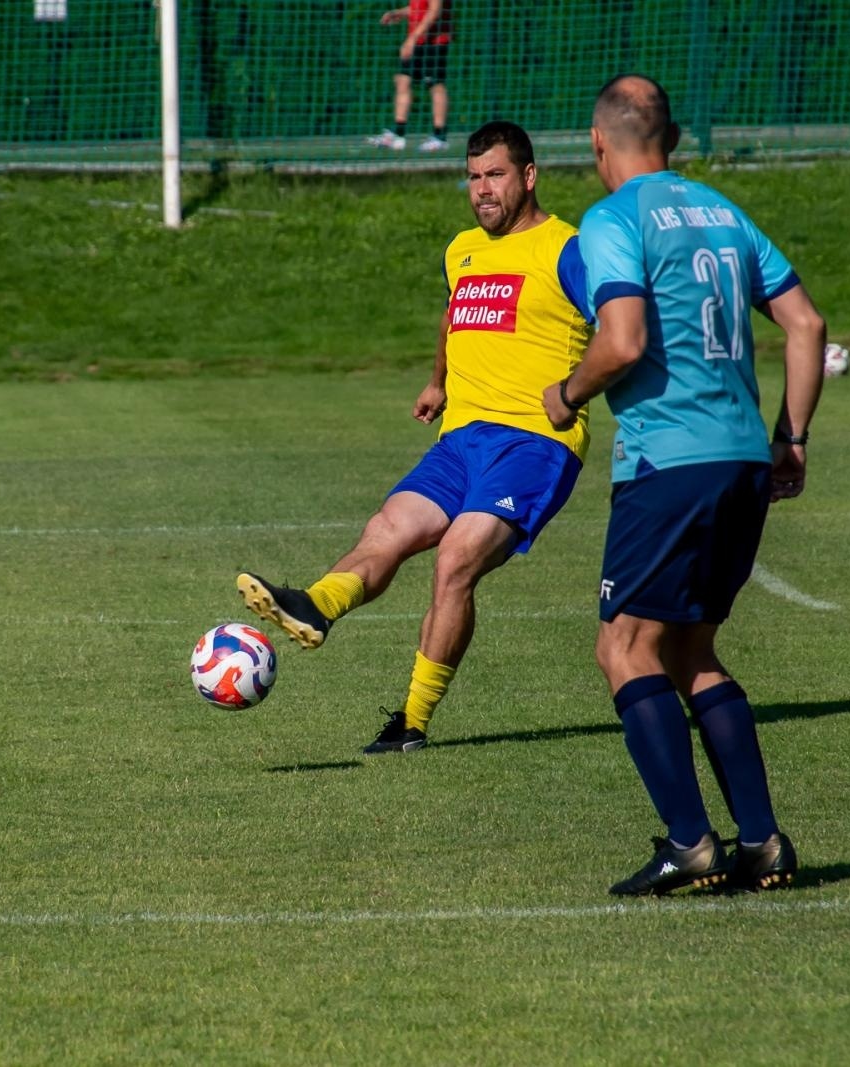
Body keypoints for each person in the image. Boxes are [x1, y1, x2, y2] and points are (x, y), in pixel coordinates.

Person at [542, 75, 826, 895]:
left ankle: (690, 841)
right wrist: (791, 437)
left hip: (670, 461)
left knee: (623, 646)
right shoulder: (724, 213)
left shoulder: (612, 219)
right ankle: (763, 842)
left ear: (599, 144)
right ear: (673, 138)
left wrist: (566, 392)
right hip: (740, 455)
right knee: (690, 649)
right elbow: (806, 322)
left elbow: (623, 341)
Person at [239, 121, 593, 754]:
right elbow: (455, 314)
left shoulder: (568, 250)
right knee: (388, 529)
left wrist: (578, 397)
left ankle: (412, 720)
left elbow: (624, 330)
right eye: (474, 177)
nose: (482, 190)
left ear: (529, 176)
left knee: (455, 560)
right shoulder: (462, 250)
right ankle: (315, 604)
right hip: (461, 439)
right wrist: (439, 382)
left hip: (535, 443)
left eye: (496, 176)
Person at [365, 0, 452, 153]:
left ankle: (440, 137)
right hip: (418, 41)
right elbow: (418, 7)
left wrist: (412, 38)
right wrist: (398, 12)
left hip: (435, 42)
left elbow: (434, 11)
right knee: (402, 80)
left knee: (435, 85)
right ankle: (398, 134)